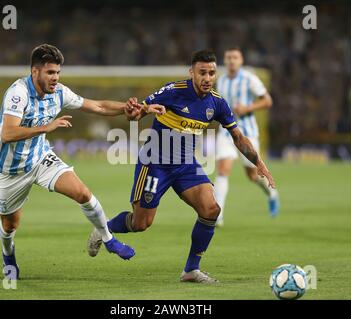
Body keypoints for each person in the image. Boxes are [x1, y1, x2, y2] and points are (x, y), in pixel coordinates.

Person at [88, 50, 276, 283]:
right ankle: (104, 228)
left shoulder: (217, 103)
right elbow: (134, 115)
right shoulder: (172, 91)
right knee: (141, 223)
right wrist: (142, 110)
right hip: (155, 163)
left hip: (186, 164)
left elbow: (237, 136)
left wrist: (258, 163)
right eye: (202, 73)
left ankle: (191, 270)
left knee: (211, 210)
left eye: (212, 73)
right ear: (192, 72)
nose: (207, 78)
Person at [0, 44, 163, 280]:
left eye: (58, 72)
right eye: (50, 72)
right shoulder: (18, 93)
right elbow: (7, 133)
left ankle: (108, 239)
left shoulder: (59, 92)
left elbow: (98, 105)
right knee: (10, 225)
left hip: (41, 159)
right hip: (11, 170)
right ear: (35, 72)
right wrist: (47, 127)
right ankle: (8, 255)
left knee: (83, 193)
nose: (55, 78)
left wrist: (131, 108)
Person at [214, 47, 279, 225]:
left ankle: (272, 193)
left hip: (247, 133)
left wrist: (247, 108)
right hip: (226, 132)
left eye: (235, 57)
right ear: (225, 61)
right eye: (228, 57)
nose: (232, 61)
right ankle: (217, 215)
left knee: (252, 175)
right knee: (222, 169)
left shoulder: (250, 79)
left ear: (241, 60)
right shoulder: (221, 81)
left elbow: (268, 100)